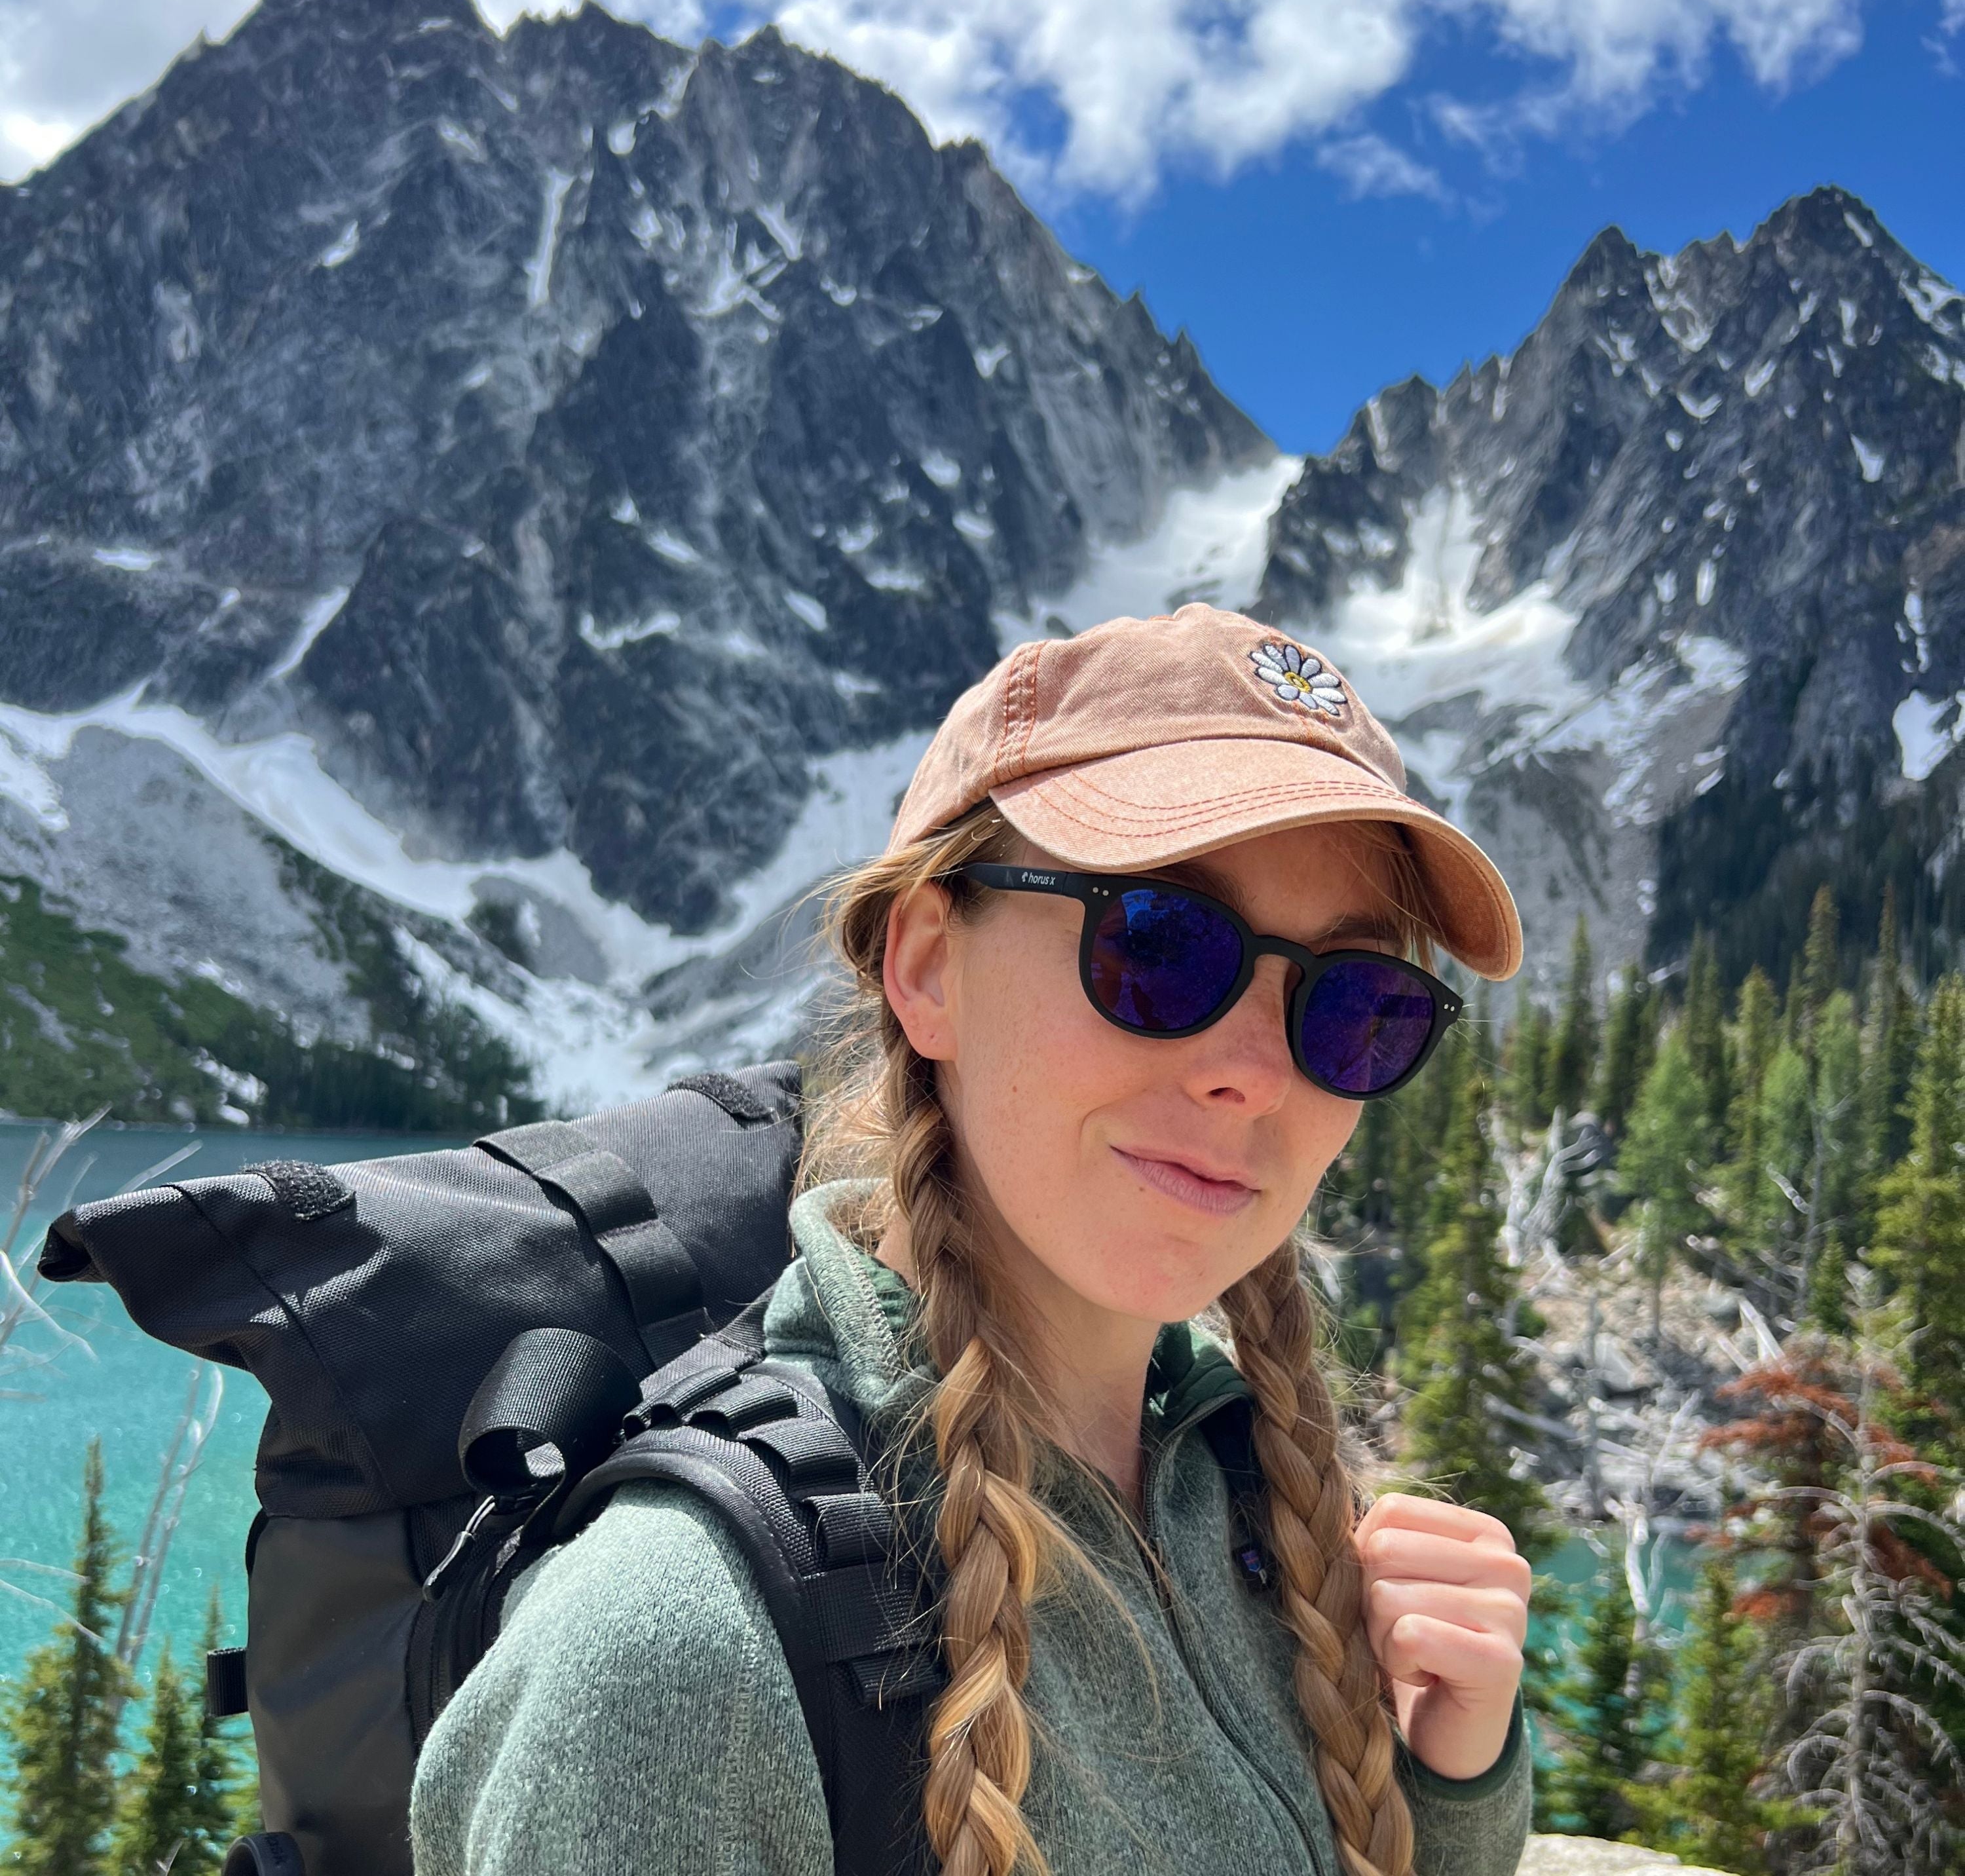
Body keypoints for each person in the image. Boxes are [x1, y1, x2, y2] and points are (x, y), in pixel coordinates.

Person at [411, 603, 1534, 1876]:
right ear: (930, 966)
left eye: (1353, 1004)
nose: (1258, 1077)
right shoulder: (676, 1647)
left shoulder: (1252, 1509)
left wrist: (1452, 1786)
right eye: (1161, 947)